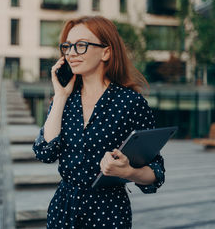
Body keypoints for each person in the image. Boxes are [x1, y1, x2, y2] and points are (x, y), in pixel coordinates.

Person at [32, 16, 165, 229]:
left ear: (106, 51)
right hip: (63, 209)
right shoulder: (65, 99)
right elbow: (45, 153)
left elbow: (156, 172)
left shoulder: (130, 103)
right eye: (67, 46)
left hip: (108, 212)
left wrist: (128, 172)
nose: (71, 53)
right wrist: (60, 95)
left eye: (81, 45)